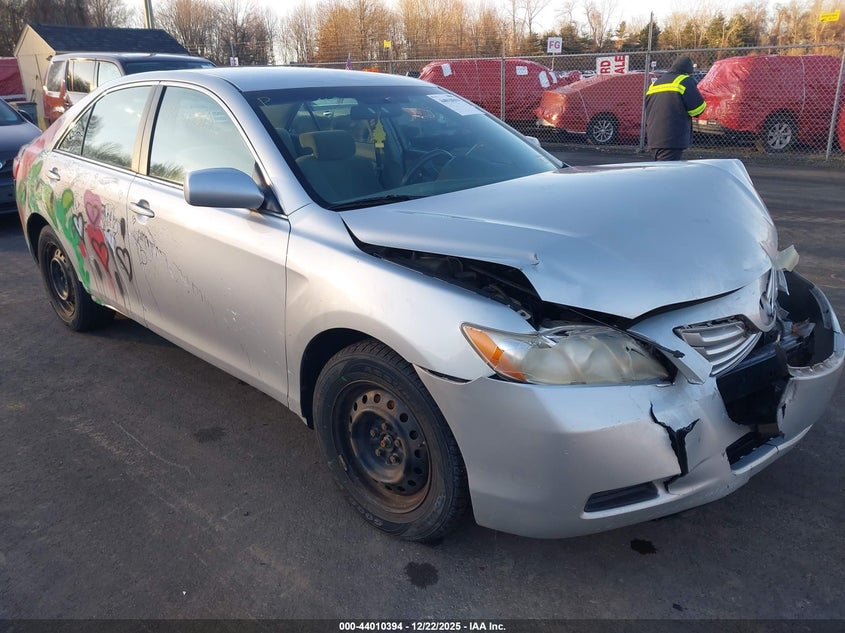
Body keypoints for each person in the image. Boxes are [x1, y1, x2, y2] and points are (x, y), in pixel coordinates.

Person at [645, 56, 706, 161]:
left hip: (654, 136)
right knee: (668, 169)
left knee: (659, 167)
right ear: (688, 70)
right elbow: (697, 109)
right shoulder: (684, 80)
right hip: (672, 137)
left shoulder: (656, 83)